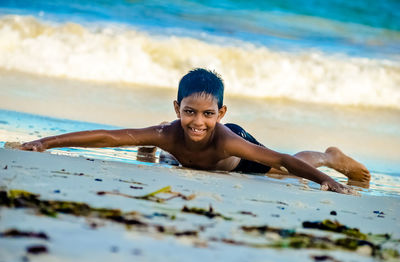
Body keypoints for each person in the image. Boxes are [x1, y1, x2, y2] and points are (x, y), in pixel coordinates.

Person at [20, 68, 370, 194]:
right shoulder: (170, 129)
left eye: (207, 114)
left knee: (282, 170)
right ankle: (152, 153)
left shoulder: (227, 139)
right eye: (189, 112)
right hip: (181, 149)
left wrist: (329, 180)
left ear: (221, 113)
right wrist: (44, 143)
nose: (198, 121)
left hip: (234, 156)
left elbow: (280, 158)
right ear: (177, 108)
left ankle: (330, 156)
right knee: (157, 140)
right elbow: (110, 137)